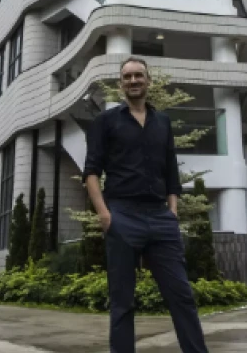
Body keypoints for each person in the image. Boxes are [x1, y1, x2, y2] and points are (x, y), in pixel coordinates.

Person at [84, 57, 209, 353]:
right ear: (120, 84)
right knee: (123, 302)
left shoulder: (162, 122)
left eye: (138, 75)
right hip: (122, 215)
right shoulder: (106, 121)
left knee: (182, 296)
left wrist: (173, 210)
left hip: (160, 217)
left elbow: (170, 170)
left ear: (148, 81)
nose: (133, 81)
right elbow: (91, 171)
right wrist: (105, 214)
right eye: (127, 77)